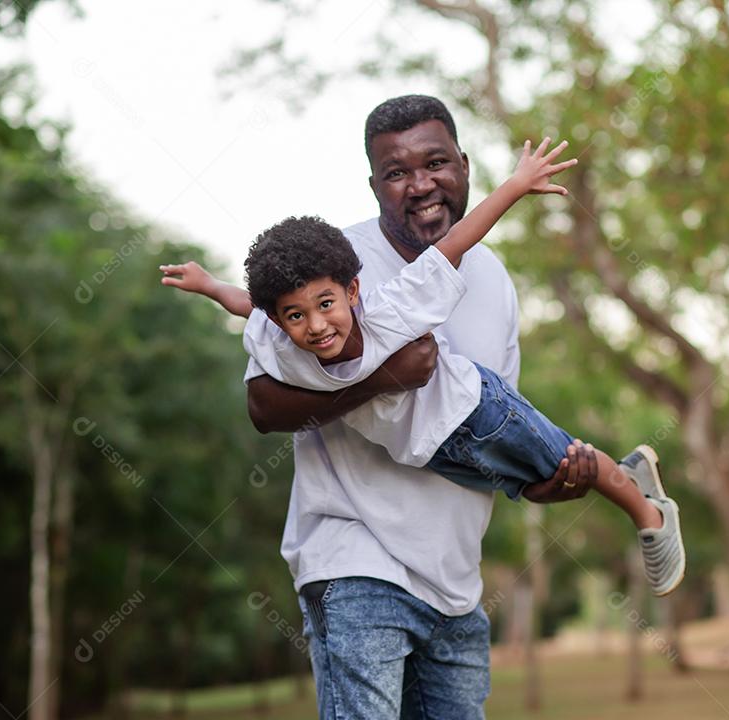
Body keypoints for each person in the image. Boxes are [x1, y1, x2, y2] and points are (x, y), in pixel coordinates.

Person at [164, 96, 607, 719]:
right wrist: (380, 379)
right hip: (356, 561)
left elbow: (481, 426)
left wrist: (533, 484)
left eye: (436, 163)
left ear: (465, 166)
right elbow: (263, 406)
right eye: (397, 172)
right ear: (374, 184)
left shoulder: (494, 281)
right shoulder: (326, 266)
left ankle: (634, 493)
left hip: (454, 583)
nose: (420, 185)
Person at [164, 134, 686, 594]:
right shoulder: (279, 334)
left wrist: (515, 185)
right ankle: (625, 483)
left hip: (477, 410)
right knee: (531, 480)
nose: (317, 326)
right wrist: (208, 285)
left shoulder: (390, 311)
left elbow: (455, 244)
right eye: (296, 315)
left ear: (351, 292)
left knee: (561, 458)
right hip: (429, 449)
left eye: (326, 305)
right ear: (280, 318)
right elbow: (247, 305)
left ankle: (646, 506)